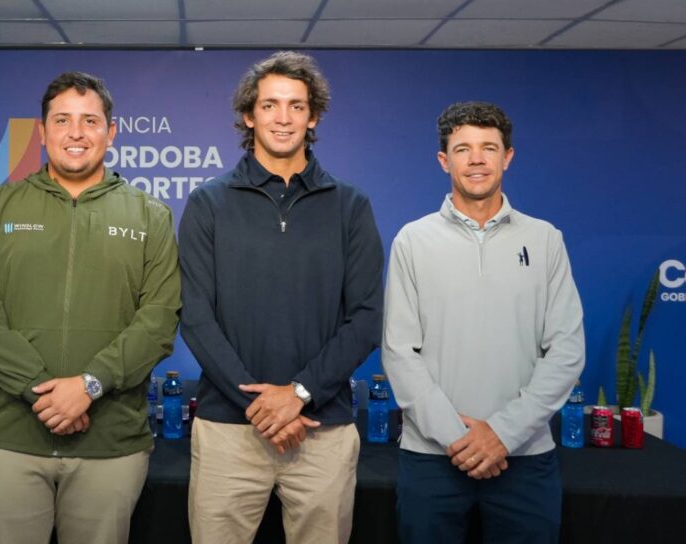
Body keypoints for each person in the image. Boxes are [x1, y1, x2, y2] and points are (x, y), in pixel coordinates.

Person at [0, 71, 180, 544]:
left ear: (111, 132)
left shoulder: (150, 216)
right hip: (9, 441)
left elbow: (158, 321)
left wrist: (91, 385)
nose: (76, 133)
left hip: (110, 444)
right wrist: (45, 394)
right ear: (42, 131)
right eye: (62, 120)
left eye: (90, 120)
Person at [179, 51, 384, 543]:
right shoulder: (209, 203)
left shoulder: (350, 206)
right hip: (229, 430)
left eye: (296, 106)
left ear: (313, 117)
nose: (284, 117)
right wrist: (262, 407)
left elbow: (366, 317)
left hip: (322, 430)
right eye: (270, 105)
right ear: (249, 116)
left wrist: (298, 395)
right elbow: (194, 314)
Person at [382, 101, 585, 543]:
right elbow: (399, 352)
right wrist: (461, 439)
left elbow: (566, 350)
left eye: (489, 148)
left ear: (507, 157)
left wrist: (502, 435)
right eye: (463, 149)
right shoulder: (412, 241)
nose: (477, 159)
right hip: (433, 458)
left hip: (525, 458)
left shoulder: (545, 240)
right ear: (444, 160)